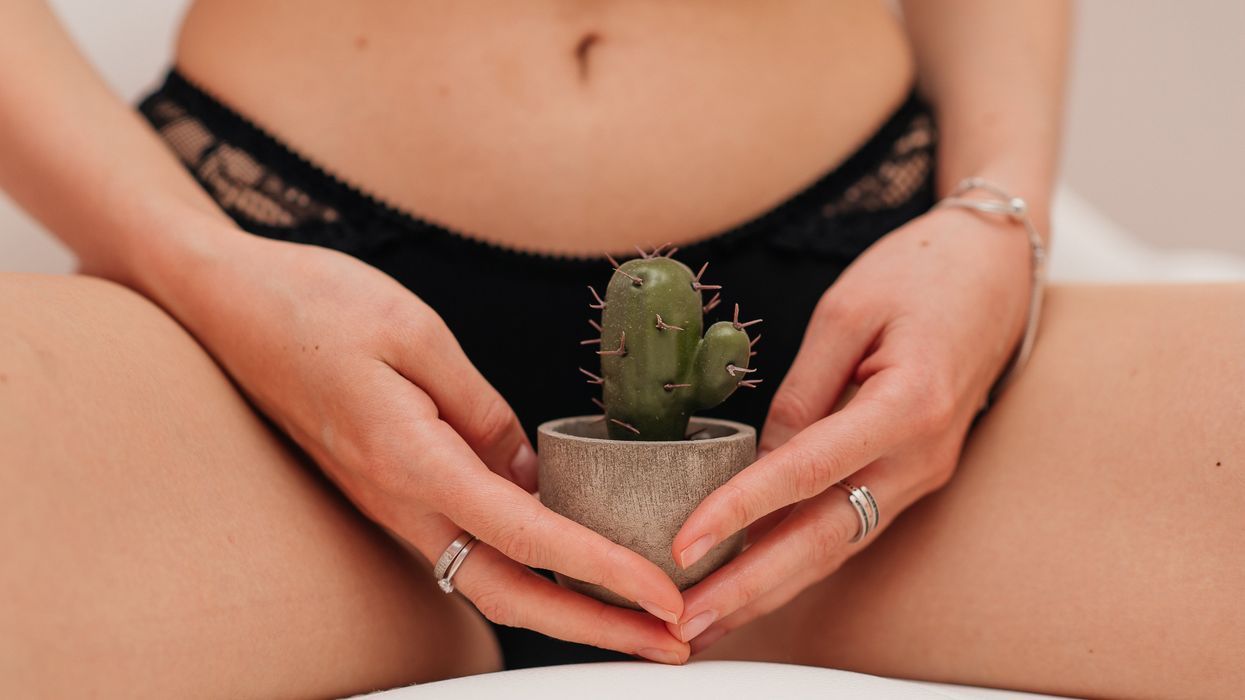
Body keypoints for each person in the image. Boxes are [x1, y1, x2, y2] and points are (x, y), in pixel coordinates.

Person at [0, 1, 1240, 697]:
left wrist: (994, 213)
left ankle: (754, 593)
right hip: (266, 338)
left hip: (841, 337)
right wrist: (201, 267)